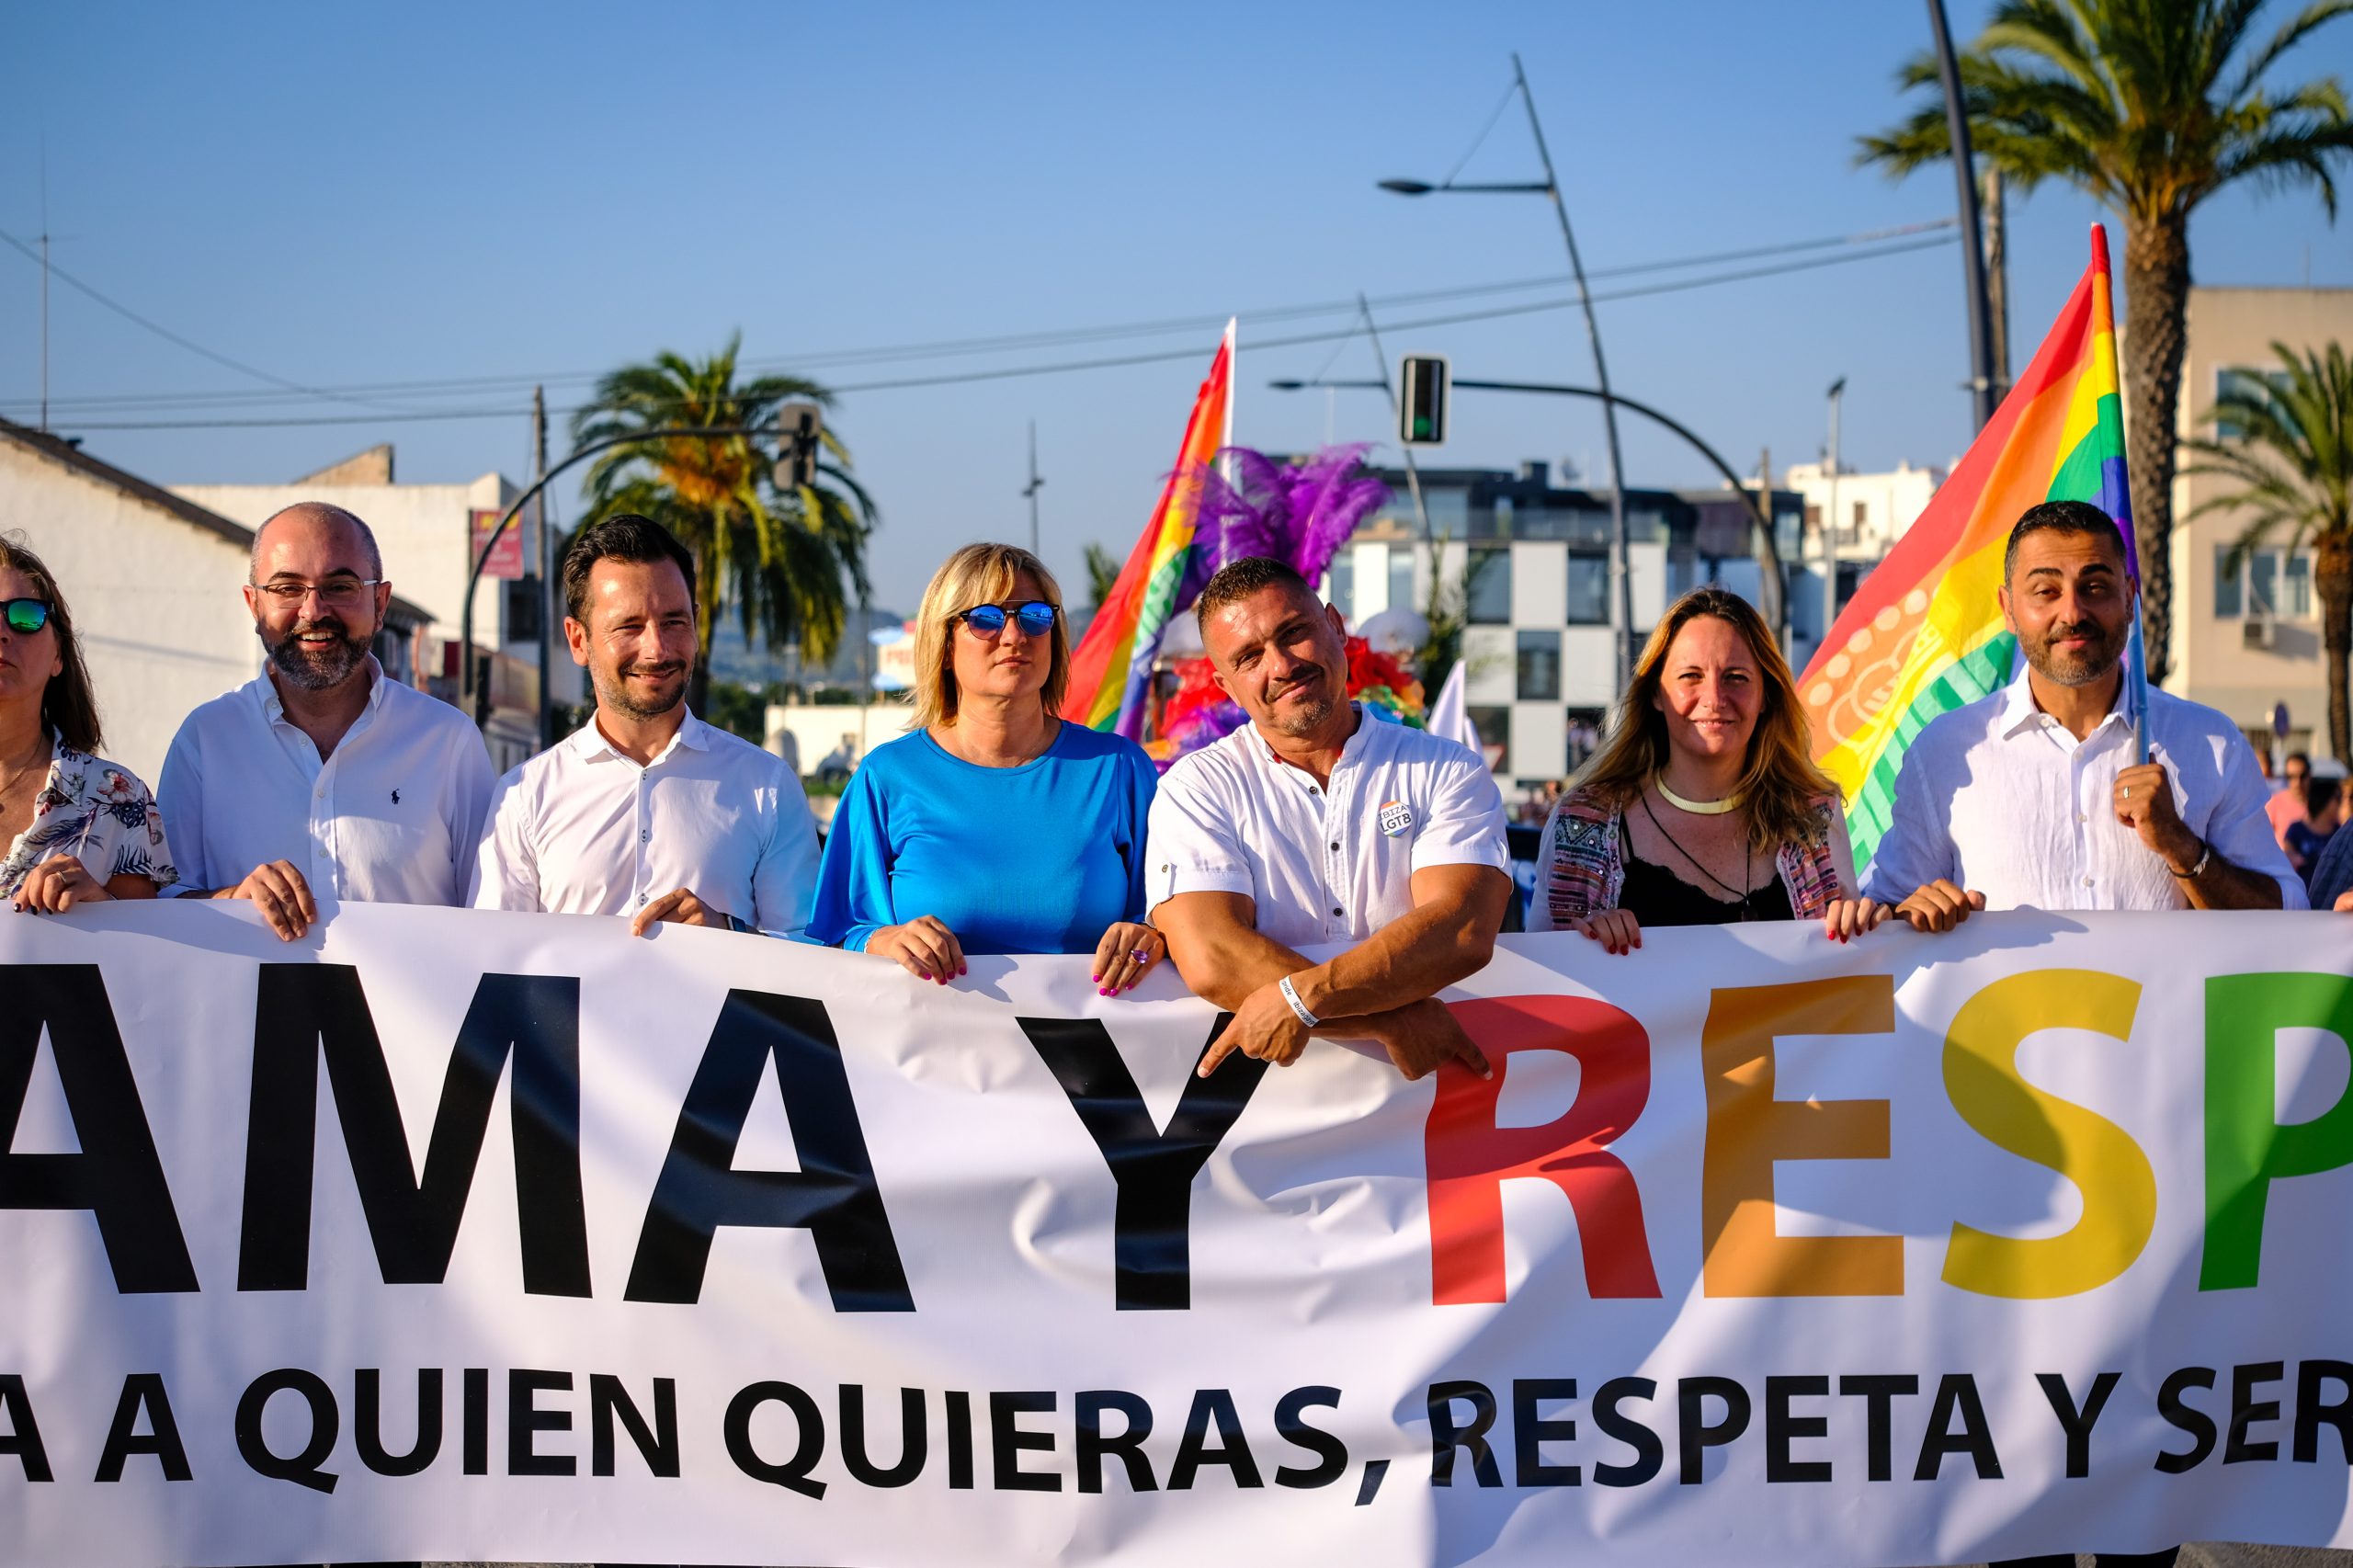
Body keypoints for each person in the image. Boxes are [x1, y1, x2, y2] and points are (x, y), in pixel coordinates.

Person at [1145, 556, 1511, 1082]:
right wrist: (1390, 1021)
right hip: (1271, 1108)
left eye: (1294, 633)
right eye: (1249, 657)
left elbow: (1462, 928)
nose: (1281, 665)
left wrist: (1301, 1001)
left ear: (1336, 627)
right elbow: (1213, 957)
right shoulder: (1196, 788)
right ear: (1225, 686)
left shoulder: (1445, 768)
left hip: (1432, 1099)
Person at [1864, 500, 2302, 936]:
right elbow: (1885, 917)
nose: (2073, 613)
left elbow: (2290, 921)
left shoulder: (2210, 743)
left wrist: (2181, 845)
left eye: (2094, 587)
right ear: (2008, 608)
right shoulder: (1946, 752)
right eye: (2045, 591)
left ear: (2129, 598)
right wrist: (1910, 914)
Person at [805, 542, 1162, 989]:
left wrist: (1152, 937)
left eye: (1035, 616)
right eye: (986, 619)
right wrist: (884, 941)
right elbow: (836, 937)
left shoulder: (1120, 770)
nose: (1014, 636)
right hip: (931, 1033)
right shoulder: (885, 778)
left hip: (1094, 1035)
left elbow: (1171, 918)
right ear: (944, 644)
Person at [472, 513, 820, 936]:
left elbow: (808, 949)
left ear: (695, 624)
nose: (657, 649)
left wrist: (729, 932)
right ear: (578, 640)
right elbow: (492, 952)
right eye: (629, 626)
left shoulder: (768, 787)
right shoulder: (524, 796)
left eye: (674, 622)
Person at [158, 502, 494, 938]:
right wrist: (231, 899)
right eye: (287, 588)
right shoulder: (205, 740)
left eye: (339, 587)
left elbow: (494, 915)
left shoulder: (448, 742)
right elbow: (159, 902)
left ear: (380, 602)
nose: (313, 610)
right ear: (253, 604)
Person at [1529, 585, 1870, 950]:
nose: (1714, 698)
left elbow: (1848, 961)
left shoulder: (1813, 817)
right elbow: (1540, 973)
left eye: (1736, 677)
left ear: (1765, 695)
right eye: (1691, 676)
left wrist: (1865, 927)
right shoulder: (1581, 820)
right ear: (1656, 693)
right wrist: (1584, 943)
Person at [0, 537, 175, 911]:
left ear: (58, 656)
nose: (2, 632)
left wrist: (100, 905)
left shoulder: (117, 797)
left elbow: (147, 942)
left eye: (25, 616)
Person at [2286, 774, 2340, 884]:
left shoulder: (2339, 832)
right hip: (2302, 889)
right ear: (2325, 800)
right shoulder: (2296, 829)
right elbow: (2287, 854)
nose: (2342, 803)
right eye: (2337, 798)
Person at [2265, 748, 2310, 846]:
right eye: (2291, 777)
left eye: (2302, 776)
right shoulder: (2275, 803)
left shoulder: (2321, 805)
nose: (2298, 782)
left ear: (2309, 775)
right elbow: (2261, 837)